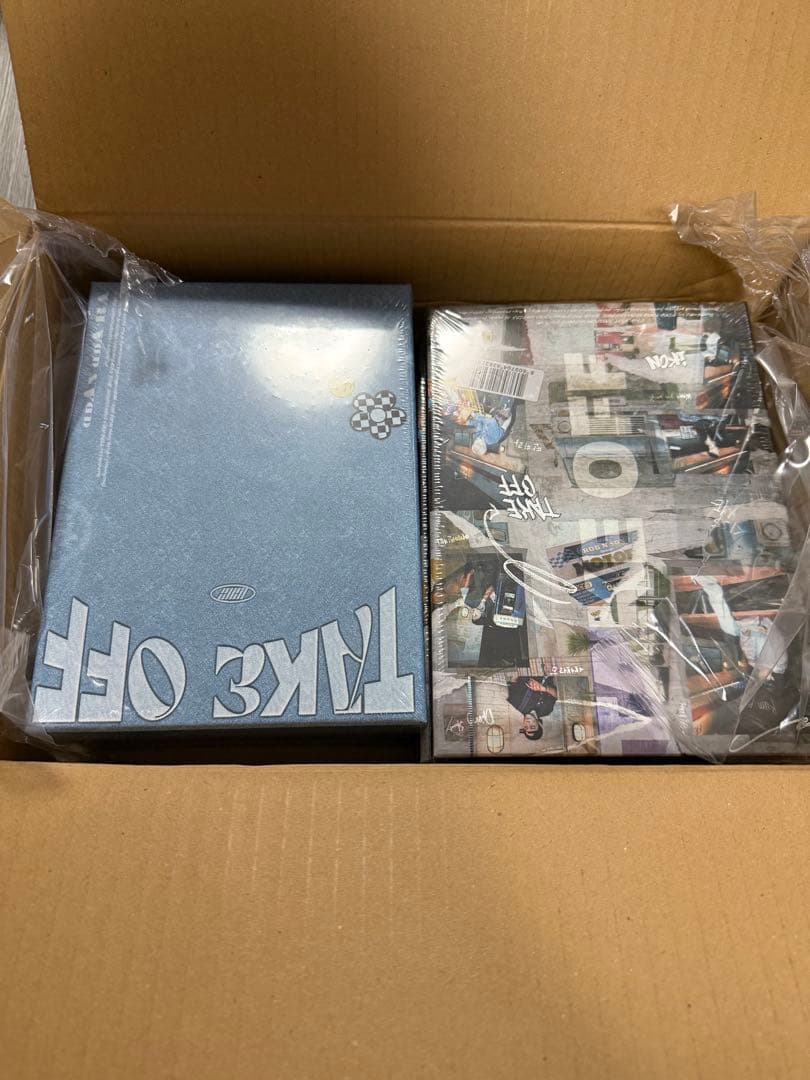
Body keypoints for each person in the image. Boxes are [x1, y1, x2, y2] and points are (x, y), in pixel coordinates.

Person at [507, 675, 558, 741]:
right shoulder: (546, 711)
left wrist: (514, 678)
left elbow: (511, 680)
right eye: (532, 726)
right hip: (547, 673)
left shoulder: (516, 704)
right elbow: (557, 694)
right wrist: (544, 688)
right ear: (539, 724)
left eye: (526, 727)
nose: (528, 723)